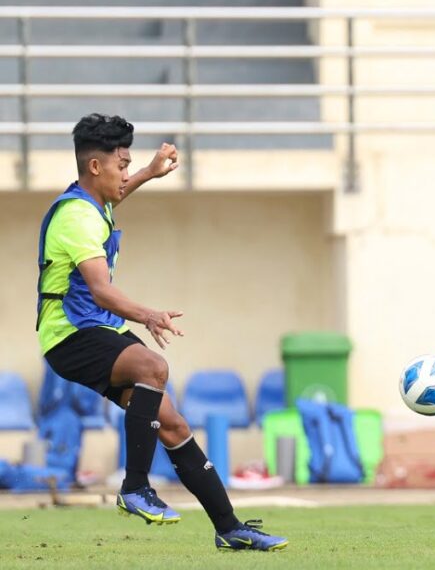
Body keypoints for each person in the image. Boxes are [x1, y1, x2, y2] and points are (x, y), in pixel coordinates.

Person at [37, 113, 288, 552]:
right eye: (123, 165)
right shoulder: (76, 218)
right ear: (96, 166)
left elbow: (114, 198)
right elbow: (100, 291)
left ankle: (230, 529)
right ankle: (135, 487)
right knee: (154, 366)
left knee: (171, 422)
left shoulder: (93, 204)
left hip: (96, 328)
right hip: (70, 334)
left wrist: (150, 173)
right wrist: (149, 315)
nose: (126, 174)